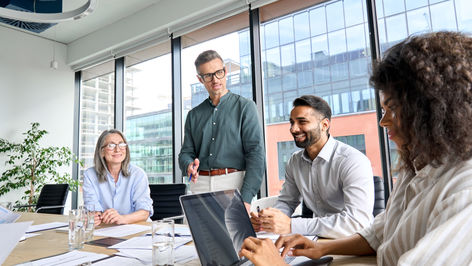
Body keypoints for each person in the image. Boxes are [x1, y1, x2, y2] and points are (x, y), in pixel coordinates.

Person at [240, 31, 472, 265]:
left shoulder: (464, 190)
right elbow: (379, 233)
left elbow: (357, 223)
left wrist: (275, 261)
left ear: (432, 109)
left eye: (391, 109)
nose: (383, 121)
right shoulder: (415, 166)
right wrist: (319, 247)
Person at [250, 95, 374, 238]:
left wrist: (290, 225)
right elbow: (287, 202)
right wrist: (269, 221)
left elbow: (356, 222)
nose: (294, 129)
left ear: (324, 125)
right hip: (317, 237)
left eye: (302, 122)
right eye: (292, 122)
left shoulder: (352, 160)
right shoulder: (295, 162)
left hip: (353, 240)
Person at [178, 50, 265, 210]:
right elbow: (185, 153)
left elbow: (256, 154)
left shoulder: (245, 107)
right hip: (200, 185)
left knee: (233, 235)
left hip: (232, 183)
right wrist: (188, 164)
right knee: (194, 234)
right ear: (200, 79)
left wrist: (246, 198)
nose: (215, 79)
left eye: (218, 73)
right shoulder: (193, 115)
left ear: (225, 72)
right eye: (208, 75)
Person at [83, 129, 153, 226]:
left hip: (138, 229)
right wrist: (95, 217)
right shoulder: (90, 175)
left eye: (121, 144)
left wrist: (122, 218)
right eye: (111, 145)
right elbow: (92, 208)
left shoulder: (138, 174)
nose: (117, 149)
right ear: (102, 151)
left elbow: (144, 212)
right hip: (106, 229)